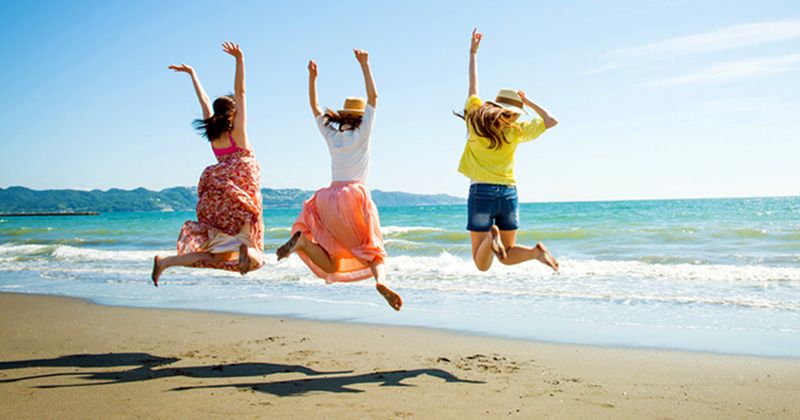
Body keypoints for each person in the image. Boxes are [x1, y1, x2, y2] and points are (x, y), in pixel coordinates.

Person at [276, 49, 402, 311]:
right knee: (373, 249)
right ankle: (380, 282)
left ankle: (302, 243)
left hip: (327, 198)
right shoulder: (362, 133)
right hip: (354, 196)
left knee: (333, 261)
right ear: (359, 117)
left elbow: (314, 107)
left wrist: (312, 78)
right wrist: (365, 64)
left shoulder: (333, 135)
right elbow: (374, 97)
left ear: (344, 116)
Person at [152, 42, 265, 286]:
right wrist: (240, 60)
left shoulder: (213, 134)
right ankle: (246, 247)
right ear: (233, 113)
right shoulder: (240, 133)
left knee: (216, 256)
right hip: (241, 188)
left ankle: (165, 262)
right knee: (255, 252)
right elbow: (241, 91)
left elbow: (204, 100)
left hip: (217, 191)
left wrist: (193, 74)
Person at [456, 28, 560, 273]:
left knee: (481, 264)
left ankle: (493, 237)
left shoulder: (475, 119)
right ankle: (536, 253)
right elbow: (551, 120)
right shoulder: (516, 130)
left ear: (495, 104)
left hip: (481, 191)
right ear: (515, 112)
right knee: (506, 254)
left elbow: (473, 85)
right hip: (508, 194)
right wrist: (529, 101)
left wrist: (473, 52)